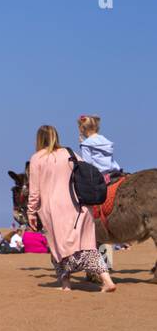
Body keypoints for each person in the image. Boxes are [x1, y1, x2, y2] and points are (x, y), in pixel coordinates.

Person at [27, 124, 115, 293]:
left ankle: (66, 284)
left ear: (39, 139)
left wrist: (31, 211)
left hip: (54, 210)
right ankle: (107, 281)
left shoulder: (37, 158)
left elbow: (34, 191)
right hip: (80, 206)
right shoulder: (70, 153)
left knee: (57, 247)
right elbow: (87, 175)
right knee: (88, 246)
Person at [77, 115, 121, 181]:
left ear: (82, 129)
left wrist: (83, 144)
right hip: (116, 172)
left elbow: (87, 165)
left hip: (100, 177)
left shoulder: (86, 145)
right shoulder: (105, 140)